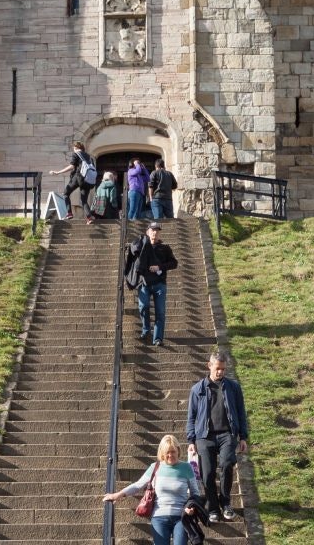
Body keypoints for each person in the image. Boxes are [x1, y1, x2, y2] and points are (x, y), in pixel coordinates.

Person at [102, 434, 203, 545]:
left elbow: (195, 492)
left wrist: (191, 507)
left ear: (178, 450)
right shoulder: (155, 467)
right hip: (159, 517)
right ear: (162, 453)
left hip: (181, 517)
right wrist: (118, 495)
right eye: (167, 452)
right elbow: (138, 485)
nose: (170, 455)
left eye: (173, 451)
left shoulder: (186, 468)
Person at [185, 354, 249, 521]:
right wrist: (191, 440)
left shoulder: (233, 387)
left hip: (227, 434)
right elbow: (191, 417)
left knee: (227, 465)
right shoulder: (197, 389)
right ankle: (212, 507)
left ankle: (226, 503)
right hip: (204, 437)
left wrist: (243, 437)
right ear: (209, 366)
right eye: (217, 368)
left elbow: (241, 412)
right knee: (207, 473)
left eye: (223, 369)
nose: (220, 371)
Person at [122, 222, 178, 346]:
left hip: (159, 284)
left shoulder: (165, 248)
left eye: (157, 230)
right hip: (144, 283)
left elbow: (174, 263)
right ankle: (146, 330)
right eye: (153, 230)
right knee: (143, 306)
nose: (155, 232)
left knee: (160, 312)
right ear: (147, 232)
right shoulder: (140, 246)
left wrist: (160, 267)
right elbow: (132, 255)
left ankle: (157, 338)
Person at [51, 140, 99, 224]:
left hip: (78, 177)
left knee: (66, 193)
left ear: (76, 148)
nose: (73, 149)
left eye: (74, 148)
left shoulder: (76, 154)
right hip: (88, 180)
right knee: (84, 200)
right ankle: (89, 217)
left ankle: (69, 213)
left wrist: (58, 172)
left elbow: (71, 166)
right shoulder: (90, 157)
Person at [125, 158, 150, 224]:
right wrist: (136, 164)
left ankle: (136, 224)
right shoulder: (130, 171)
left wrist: (144, 168)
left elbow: (148, 178)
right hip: (134, 192)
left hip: (140, 193)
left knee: (138, 211)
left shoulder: (139, 176)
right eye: (137, 163)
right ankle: (127, 223)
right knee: (132, 209)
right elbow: (138, 171)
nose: (138, 164)